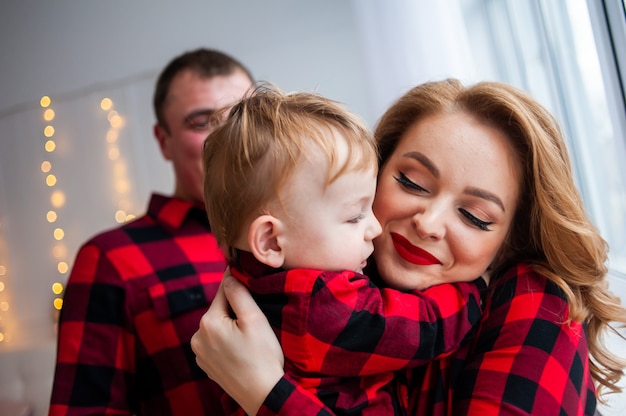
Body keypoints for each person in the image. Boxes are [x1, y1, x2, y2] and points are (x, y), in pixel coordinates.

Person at [191, 79, 626, 415]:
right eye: (411, 182)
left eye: (476, 216)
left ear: (510, 239)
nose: (429, 224)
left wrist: (264, 391)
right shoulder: (326, 276)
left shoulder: (535, 302)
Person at [201, 84, 484, 415]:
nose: (375, 228)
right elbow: (428, 328)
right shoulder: (319, 302)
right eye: (354, 216)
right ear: (271, 241)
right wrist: (476, 290)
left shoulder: (252, 280)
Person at [49, 48, 254, 415]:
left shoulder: (313, 231)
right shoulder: (109, 259)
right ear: (164, 142)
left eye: (244, 116)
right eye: (202, 122)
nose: (229, 138)